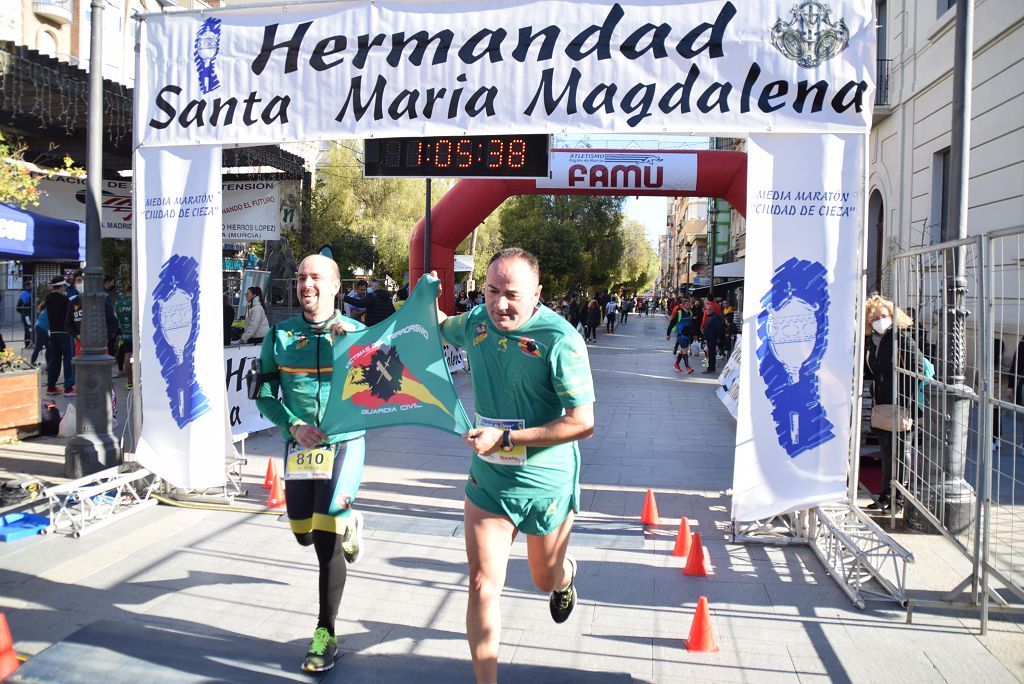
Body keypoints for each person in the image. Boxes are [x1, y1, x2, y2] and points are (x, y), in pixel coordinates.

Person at [437, 248, 594, 684]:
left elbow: (583, 423)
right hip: (489, 480)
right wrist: (420, 302)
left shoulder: (560, 340)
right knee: (481, 584)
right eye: (490, 291)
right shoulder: (476, 322)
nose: (499, 304)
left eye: (511, 294)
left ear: (537, 294)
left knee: (545, 577)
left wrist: (506, 438)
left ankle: (565, 579)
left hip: (546, 483)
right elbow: (435, 328)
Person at [254, 254, 367, 674]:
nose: (307, 284)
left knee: (325, 541)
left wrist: (351, 349)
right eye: (302, 277)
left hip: (344, 444)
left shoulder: (357, 333)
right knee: (302, 532)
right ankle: (351, 523)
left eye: (316, 277)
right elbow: (264, 395)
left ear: (336, 286)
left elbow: (386, 384)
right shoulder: (280, 336)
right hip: (300, 446)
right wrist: (293, 424)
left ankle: (325, 632)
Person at [864, 294, 926, 512]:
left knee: (901, 452)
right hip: (881, 405)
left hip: (901, 404)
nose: (879, 320)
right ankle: (885, 496)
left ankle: (899, 499)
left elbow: (918, 370)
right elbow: (872, 371)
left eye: (884, 315)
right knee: (886, 452)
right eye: (875, 317)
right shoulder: (872, 341)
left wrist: (904, 398)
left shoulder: (903, 339)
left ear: (893, 316)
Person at [44, 276, 74, 395]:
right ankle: (68, 388)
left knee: (54, 360)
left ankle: (51, 387)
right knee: (68, 360)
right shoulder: (65, 300)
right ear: (61, 286)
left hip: (53, 332)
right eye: (64, 286)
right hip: (65, 332)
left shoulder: (48, 299)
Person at [115, 285, 133, 388]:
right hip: (137, 332)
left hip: (125, 333)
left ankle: (130, 382)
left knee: (128, 355)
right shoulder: (136, 301)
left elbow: (116, 319)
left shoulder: (118, 304)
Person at [701, 300, 724, 374]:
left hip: (713, 338)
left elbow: (719, 328)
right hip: (709, 338)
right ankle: (710, 368)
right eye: (706, 309)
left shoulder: (716, 317)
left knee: (711, 354)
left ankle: (711, 368)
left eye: (707, 309)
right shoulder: (709, 317)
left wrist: (718, 338)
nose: (706, 311)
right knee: (710, 353)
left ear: (711, 310)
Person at [16, 282, 32, 347]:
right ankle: (28, 344)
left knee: (29, 329)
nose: (32, 285)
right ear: (27, 286)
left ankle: (29, 343)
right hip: (27, 314)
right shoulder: (24, 293)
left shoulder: (29, 292)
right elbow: (20, 306)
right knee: (28, 329)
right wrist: (24, 313)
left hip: (27, 314)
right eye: (31, 284)